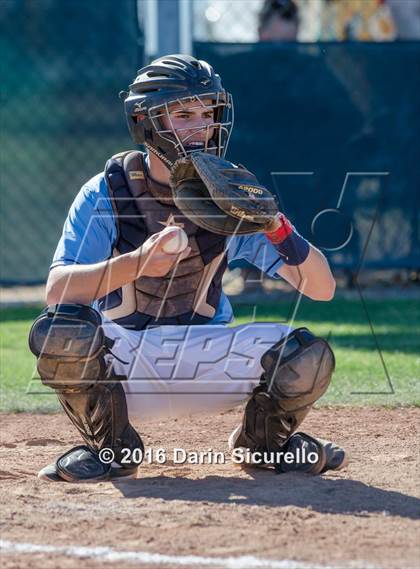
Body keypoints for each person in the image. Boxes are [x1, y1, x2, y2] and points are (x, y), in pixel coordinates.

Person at [29, 54, 348, 482]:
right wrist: (138, 263)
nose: (201, 126)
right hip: (125, 367)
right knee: (60, 332)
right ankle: (111, 448)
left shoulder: (230, 194)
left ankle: (264, 445)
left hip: (208, 360)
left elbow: (322, 288)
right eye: (183, 114)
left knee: (307, 355)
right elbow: (57, 291)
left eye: (207, 113)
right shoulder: (108, 191)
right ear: (145, 120)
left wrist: (276, 226)